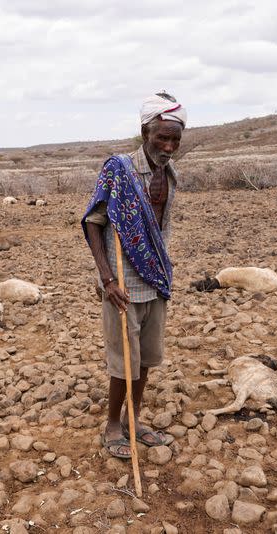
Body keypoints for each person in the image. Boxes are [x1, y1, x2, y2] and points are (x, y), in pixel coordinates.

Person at [82, 92, 186, 459]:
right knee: (122, 361)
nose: (169, 146)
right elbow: (94, 223)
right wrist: (107, 279)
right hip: (122, 283)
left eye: (175, 139)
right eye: (163, 137)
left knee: (144, 359)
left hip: (156, 281)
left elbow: (161, 228)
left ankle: (134, 420)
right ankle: (113, 424)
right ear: (145, 131)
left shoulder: (170, 175)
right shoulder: (119, 170)